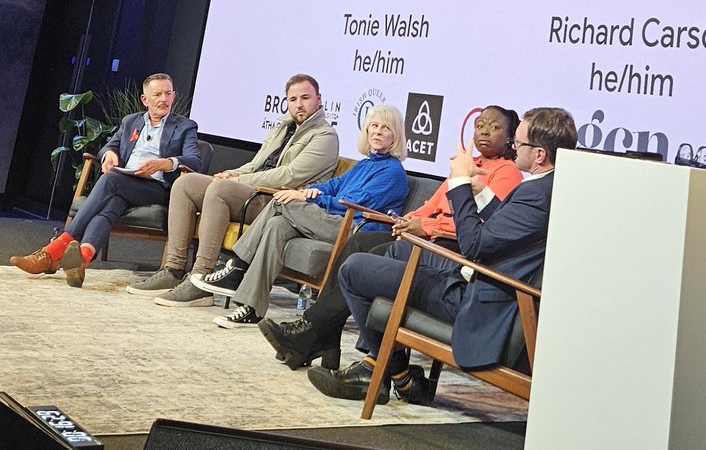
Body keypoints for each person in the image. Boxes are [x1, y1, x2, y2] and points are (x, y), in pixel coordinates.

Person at [306, 107, 578, 404]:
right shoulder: (546, 188)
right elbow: (503, 228)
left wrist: (460, 184)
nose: (513, 146)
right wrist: (477, 188)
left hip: (474, 302)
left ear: (539, 155)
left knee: (355, 269)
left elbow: (474, 245)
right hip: (469, 284)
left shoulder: (536, 195)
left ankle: (384, 372)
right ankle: (394, 376)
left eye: (518, 143)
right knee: (376, 258)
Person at [258, 105, 523, 370]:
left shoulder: (507, 172)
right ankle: (321, 334)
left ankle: (314, 332)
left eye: (495, 127)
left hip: (451, 248)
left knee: (369, 258)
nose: (484, 131)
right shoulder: (468, 165)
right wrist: (408, 221)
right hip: (427, 237)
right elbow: (432, 204)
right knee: (359, 244)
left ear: (510, 137)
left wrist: (426, 226)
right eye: (480, 126)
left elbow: (481, 224)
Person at [124, 72, 339, 308]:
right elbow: (257, 163)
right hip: (255, 191)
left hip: (280, 202)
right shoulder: (283, 128)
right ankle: (174, 268)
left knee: (221, 190)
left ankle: (200, 279)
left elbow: (289, 175)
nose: (299, 104)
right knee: (186, 183)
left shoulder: (325, 136)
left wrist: (239, 181)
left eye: (305, 98)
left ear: (319, 99)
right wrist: (233, 173)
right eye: (293, 99)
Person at [191, 103, 409, 329]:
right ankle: (252, 308)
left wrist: (309, 198)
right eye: (374, 125)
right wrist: (312, 191)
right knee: (277, 224)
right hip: (334, 219)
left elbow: (354, 204)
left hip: (353, 229)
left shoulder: (393, 172)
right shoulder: (366, 165)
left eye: (385, 128)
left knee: (281, 202)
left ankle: (237, 266)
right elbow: (334, 186)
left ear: (395, 136)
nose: (377, 131)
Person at [12, 73, 201, 287]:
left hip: (158, 187)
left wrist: (165, 163)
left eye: (168, 93)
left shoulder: (185, 126)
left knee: (110, 181)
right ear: (144, 100)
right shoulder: (131, 121)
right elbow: (109, 146)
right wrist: (108, 154)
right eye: (157, 94)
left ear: (174, 96)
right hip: (126, 182)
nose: (163, 99)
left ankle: (54, 251)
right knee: (110, 205)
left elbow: (195, 160)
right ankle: (82, 260)